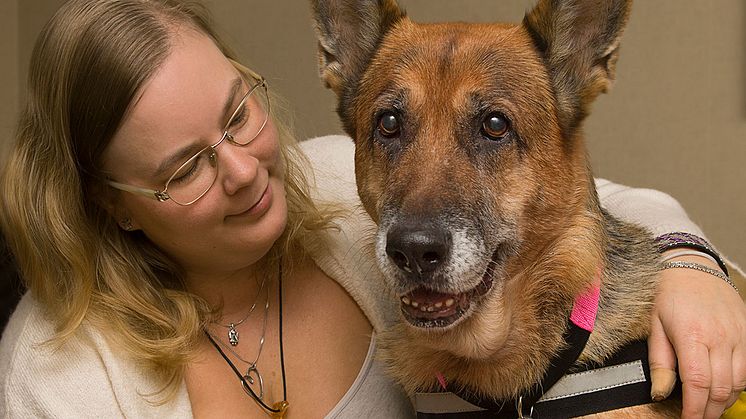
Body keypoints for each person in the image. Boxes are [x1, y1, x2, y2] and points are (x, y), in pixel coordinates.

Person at [0, 1, 743, 418]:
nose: (243, 168)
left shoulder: (315, 183)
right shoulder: (55, 369)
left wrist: (688, 262)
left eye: (237, 113)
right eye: (185, 166)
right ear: (117, 206)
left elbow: (604, 201)